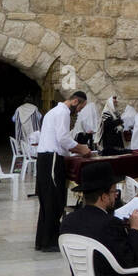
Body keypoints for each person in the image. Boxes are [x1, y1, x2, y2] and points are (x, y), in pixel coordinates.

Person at [35, 92, 91, 251]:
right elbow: (63, 139)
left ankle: (43, 240)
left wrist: (72, 152)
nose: (79, 110)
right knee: (55, 200)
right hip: (51, 159)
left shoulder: (53, 112)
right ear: (74, 101)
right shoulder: (63, 113)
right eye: (80, 106)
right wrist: (82, 149)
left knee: (47, 201)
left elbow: (58, 140)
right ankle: (50, 241)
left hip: (45, 157)